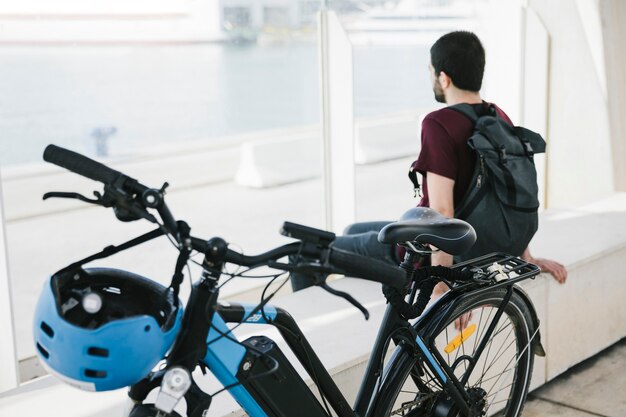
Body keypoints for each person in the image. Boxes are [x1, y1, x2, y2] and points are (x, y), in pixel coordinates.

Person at [290, 30, 567, 292]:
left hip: (421, 254)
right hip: (480, 242)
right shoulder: (498, 116)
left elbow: (443, 212)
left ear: (444, 78)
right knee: (353, 230)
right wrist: (523, 254)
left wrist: (441, 281)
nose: (431, 78)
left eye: (431, 72)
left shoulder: (438, 123)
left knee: (302, 254)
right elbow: (515, 191)